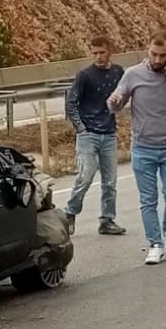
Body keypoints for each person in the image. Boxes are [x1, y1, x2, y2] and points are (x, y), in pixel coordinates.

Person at [107, 33, 166, 266]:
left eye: (163, 55)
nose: (157, 59)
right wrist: (114, 101)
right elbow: (116, 103)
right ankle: (155, 244)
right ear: (147, 51)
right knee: (148, 200)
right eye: (153, 54)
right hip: (143, 148)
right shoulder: (132, 74)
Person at [62, 38, 126, 236]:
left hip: (108, 133)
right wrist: (81, 128)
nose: (98, 57)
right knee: (85, 176)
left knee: (110, 181)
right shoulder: (84, 75)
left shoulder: (118, 72)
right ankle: (70, 212)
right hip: (88, 134)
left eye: (102, 52)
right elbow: (71, 103)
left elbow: (125, 94)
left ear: (110, 52)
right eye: (95, 52)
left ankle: (107, 220)